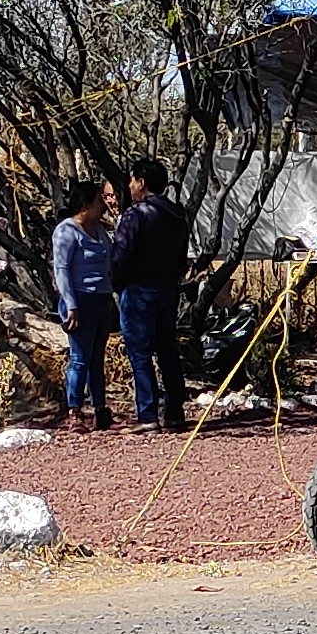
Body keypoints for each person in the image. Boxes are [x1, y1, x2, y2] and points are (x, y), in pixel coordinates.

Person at [108, 157, 186, 430]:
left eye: (132, 180)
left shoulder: (136, 214)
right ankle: (175, 411)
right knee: (167, 349)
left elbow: (120, 253)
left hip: (138, 289)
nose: (129, 186)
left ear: (141, 182)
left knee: (140, 352)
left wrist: (115, 282)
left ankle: (148, 414)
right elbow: (181, 258)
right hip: (167, 288)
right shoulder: (177, 215)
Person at [50, 177, 121, 432]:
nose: (103, 206)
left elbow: (112, 255)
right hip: (80, 300)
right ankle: (74, 410)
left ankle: (101, 408)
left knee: (96, 358)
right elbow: (62, 270)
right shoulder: (67, 231)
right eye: (99, 201)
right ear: (85, 204)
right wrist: (71, 305)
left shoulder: (100, 230)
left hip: (102, 299)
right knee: (80, 357)